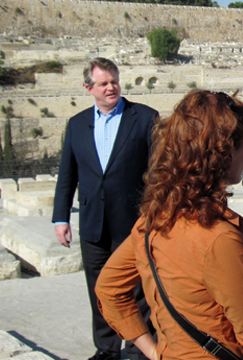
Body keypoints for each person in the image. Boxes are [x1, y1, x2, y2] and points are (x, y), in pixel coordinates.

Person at [96, 89, 243, 360]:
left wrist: (153, 351)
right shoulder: (218, 237)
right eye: (240, 144)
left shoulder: (152, 222)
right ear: (220, 155)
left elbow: (109, 288)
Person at [53, 58, 159, 360]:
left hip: (132, 222)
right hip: (93, 223)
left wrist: (155, 215)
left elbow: (157, 173)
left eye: (114, 80)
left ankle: (139, 350)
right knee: (99, 288)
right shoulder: (76, 124)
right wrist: (61, 217)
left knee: (138, 289)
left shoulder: (145, 118)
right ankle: (107, 349)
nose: (111, 87)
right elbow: (67, 174)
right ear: (89, 88)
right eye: (103, 83)